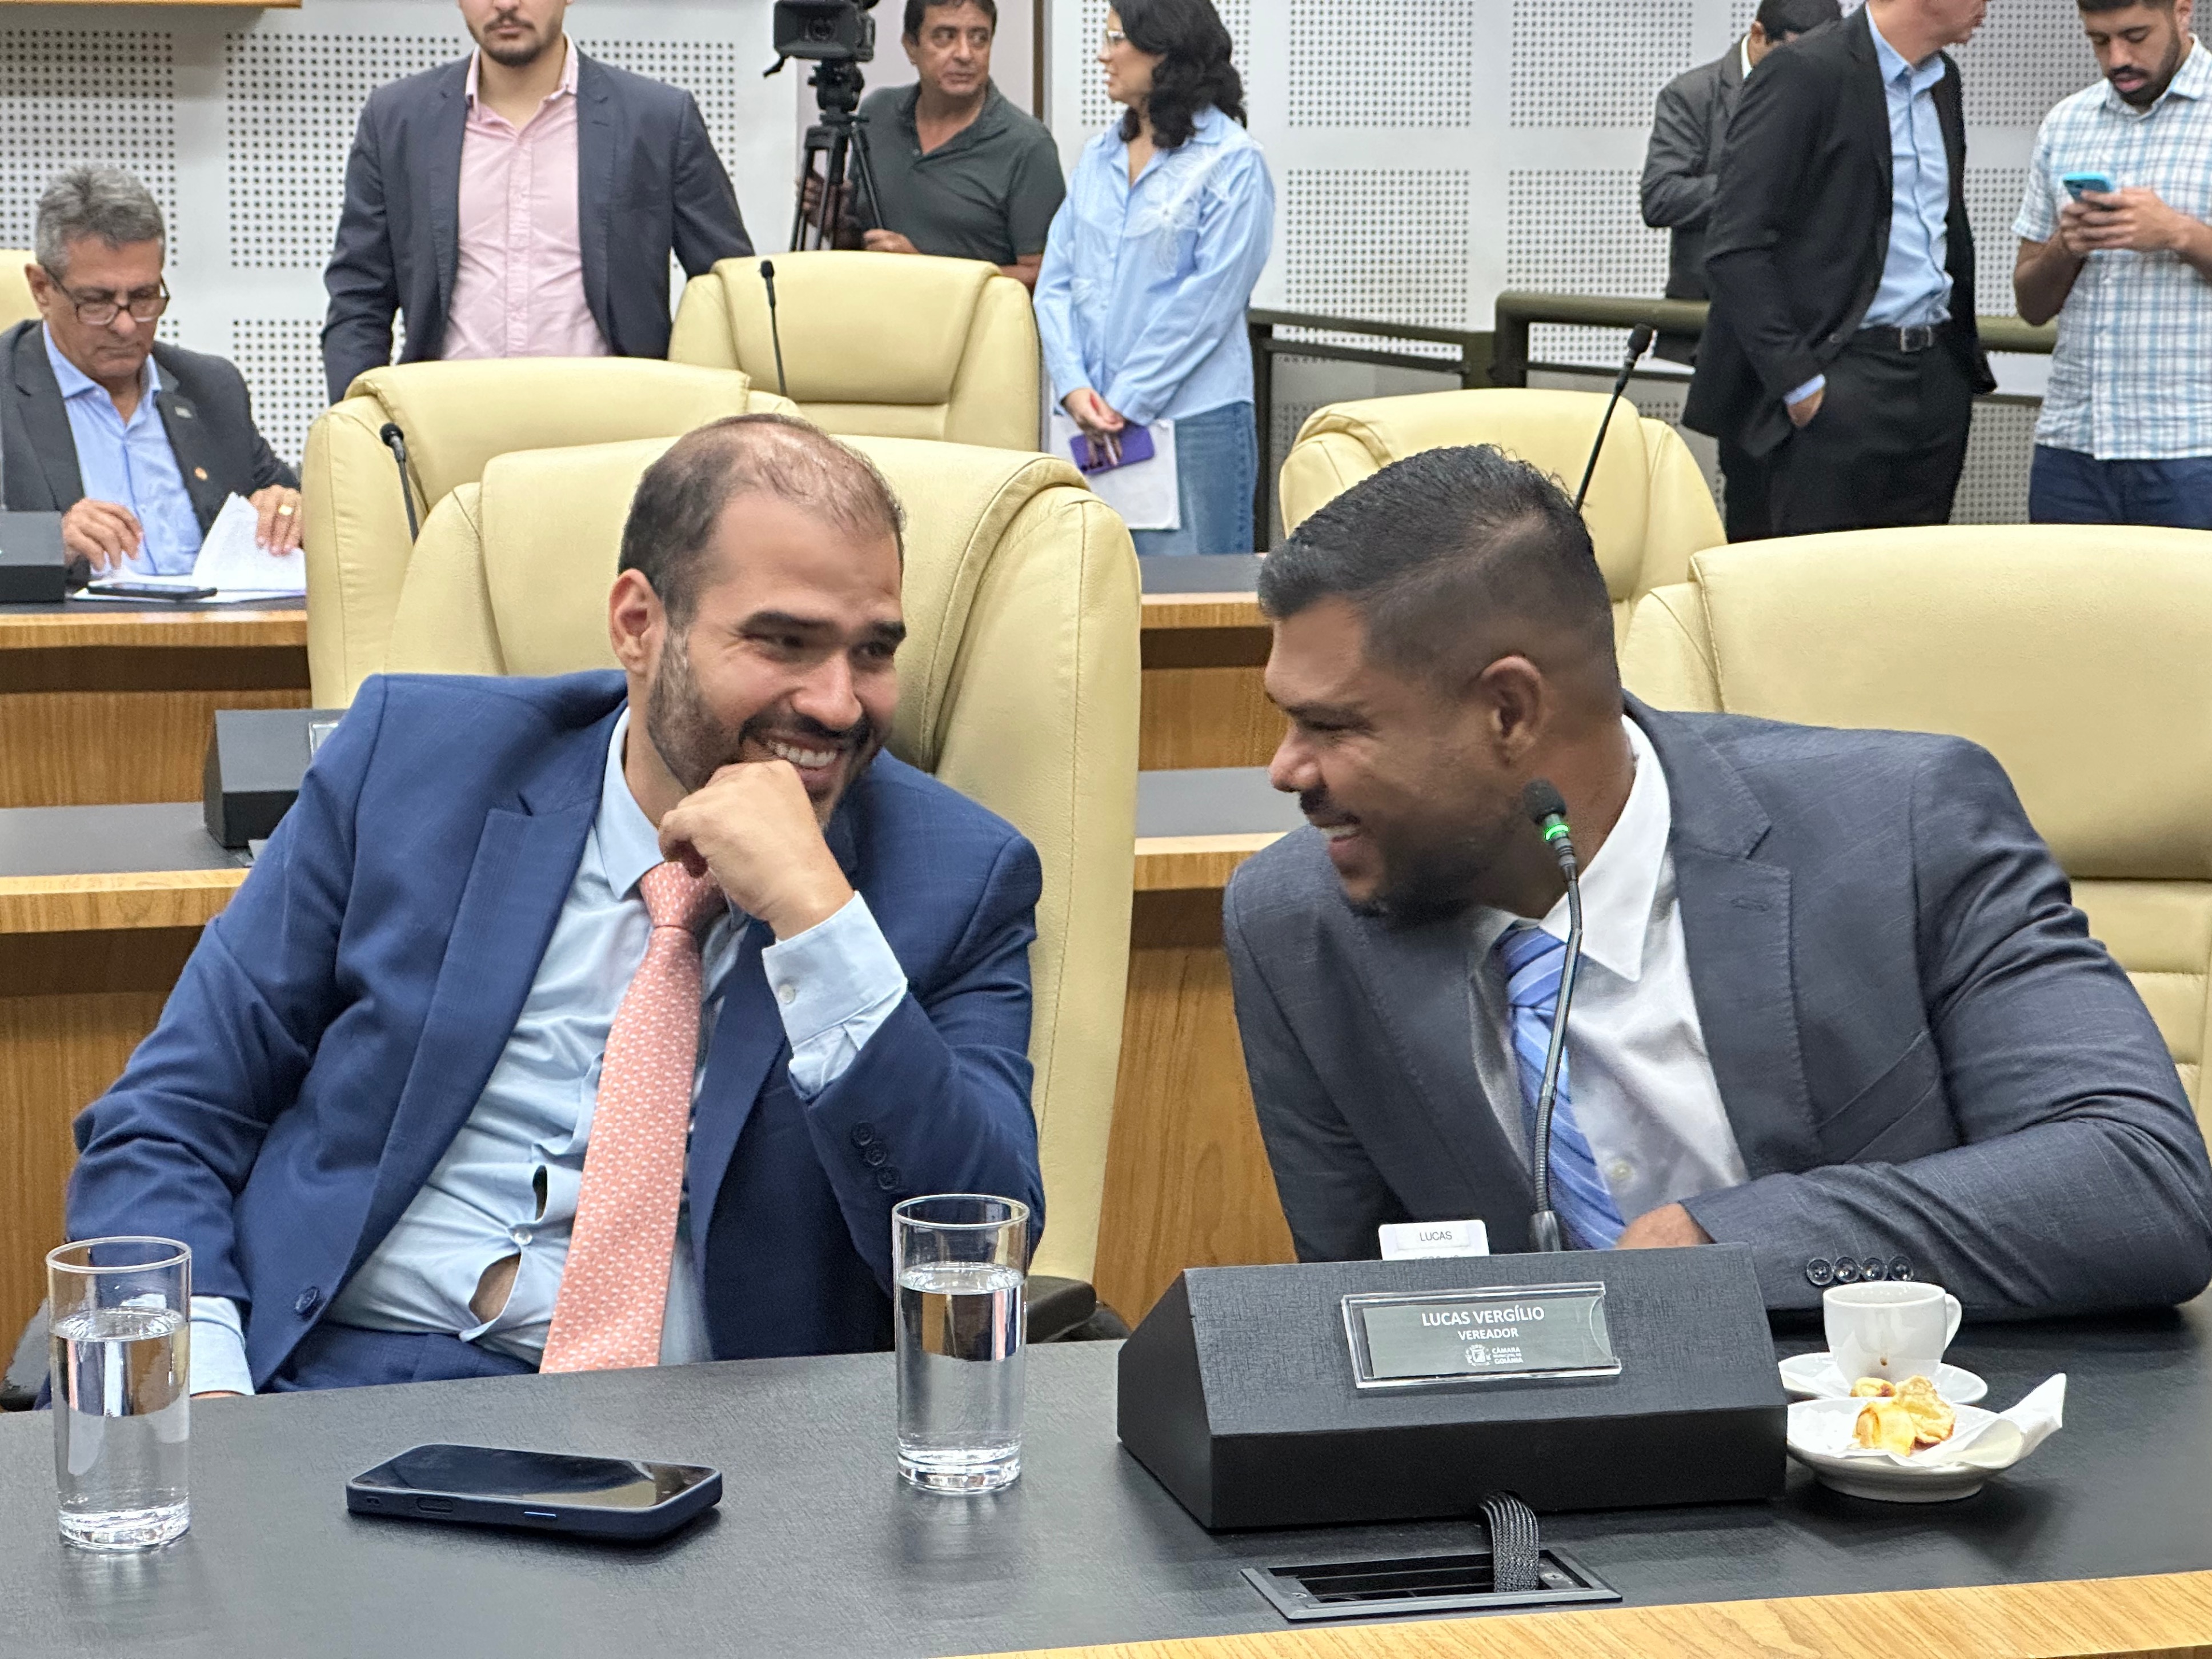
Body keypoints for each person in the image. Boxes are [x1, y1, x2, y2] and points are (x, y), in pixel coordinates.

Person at [66, 415, 1046, 1396]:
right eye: (783, 642)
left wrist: (819, 922)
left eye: (872, 652)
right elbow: (170, 1117)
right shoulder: (409, 766)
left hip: (703, 1434)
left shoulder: (957, 878)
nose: (837, 703)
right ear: (638, 624)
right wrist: (208, 1403)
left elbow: (973, 1270)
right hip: (332, 1388)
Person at [1224, 443, 2212, 1315]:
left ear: (1510, 713)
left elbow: (2139, 1184)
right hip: (1543, 1462)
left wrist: (1726, 1247)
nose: (1286, 770)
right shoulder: (1297, 923)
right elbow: (1354, 1311)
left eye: (1335, 726)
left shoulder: (1905, 829)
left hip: (1920, 1435)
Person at [321, 0, 752, 403]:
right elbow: (360, 295)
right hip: (446, 421)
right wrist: (361, 422)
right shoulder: (397, 119)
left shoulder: (657, 120)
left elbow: (729, 288)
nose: (506, 5)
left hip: (615, 421)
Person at [1685, 0, 1997, 536]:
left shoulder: (1945, 80)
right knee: (1812, 582)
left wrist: (1953, 376)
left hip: (1935, 378)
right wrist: (1801, 386)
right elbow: (1736, 245)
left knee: (1917, 578)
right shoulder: (1803, 72)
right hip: (1837, 376)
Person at [1034, 0, 1275, 556]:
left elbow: (1210, 300)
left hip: (1193, 423)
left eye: (1116, 39)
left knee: (1193, 598)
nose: (1103, 55)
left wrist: (1126, 400)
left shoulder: (1232, 161)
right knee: (1094, 585)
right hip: (1086, 418)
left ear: (1166, 50)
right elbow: (1056, 281)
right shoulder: (1098, 157)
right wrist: (1072, 385)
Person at [1, 167, 299, 576]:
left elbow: (287, 502)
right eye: (97, 302)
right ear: (41, 289)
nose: (126, 326)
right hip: (73, 618)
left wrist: (289, 508)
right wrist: (49, 543)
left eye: (144, 297)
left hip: (218, 616)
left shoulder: (211, 388)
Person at [1641, 0, 1842, 541]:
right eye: (1797, 54)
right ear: (1758, 34)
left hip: (1813, 328)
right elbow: (1660, 196)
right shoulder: (1694, 93)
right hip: (1727, 325)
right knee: (1751, 500)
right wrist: (1760, 184)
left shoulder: (1838, 92)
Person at [2014, 0, 2212, 528]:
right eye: (2099, 41)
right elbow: (2031, 306)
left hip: (2195, 446)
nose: (2117, 58)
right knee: (2062, 588)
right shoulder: (2066, 122)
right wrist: (2066, 246)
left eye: (2136, 36)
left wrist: (2180, 234)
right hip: (2073, 446)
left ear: (2182, 12)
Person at [848, 0, 1065, 290]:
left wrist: (927, 272)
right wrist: (835, 223)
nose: (965, 54)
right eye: (945, 37)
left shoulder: (1027, 145)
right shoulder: (877, 115)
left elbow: (1046, 277)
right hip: (877, 311)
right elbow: (862, 242)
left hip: (971, 319)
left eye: (979, 38)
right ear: (911, 46)